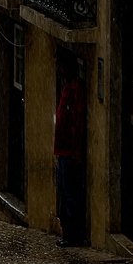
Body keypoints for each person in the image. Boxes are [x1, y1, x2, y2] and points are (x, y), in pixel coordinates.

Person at [53, 63, 86, 247]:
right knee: (64, 191)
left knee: (71, 193)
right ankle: (67, 231)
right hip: (62, 151)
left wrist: (76, 151)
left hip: (70, 153)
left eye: (62, 66)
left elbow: (78, 122)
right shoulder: (67, 88)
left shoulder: (76, 90)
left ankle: (73, 234)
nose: (59, 69)